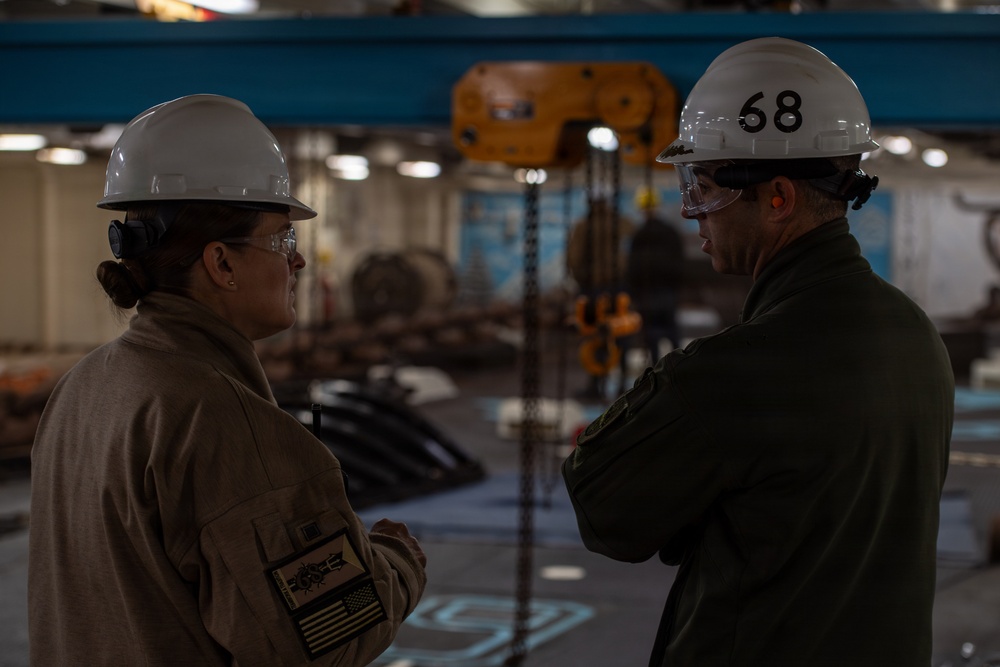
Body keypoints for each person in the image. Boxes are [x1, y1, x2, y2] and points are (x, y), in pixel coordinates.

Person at [563, 37, 954, 667]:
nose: (695, 215)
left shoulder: (730, 374)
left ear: (778, 197)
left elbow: (605, 512)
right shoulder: (914, 333)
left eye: (706, 187)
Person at [28, 94, 427, 665]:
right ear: (221, 263)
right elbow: (326, 642)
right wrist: (396, 562)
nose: (299, 262)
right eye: (283, 240)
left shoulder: (83, 386)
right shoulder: (219, 420)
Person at [625, 185, 685, 365]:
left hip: (648, 292)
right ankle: (679, 366)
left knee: (652, 334)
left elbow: (633, 267)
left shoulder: (639, 235)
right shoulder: (670, 232)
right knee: (671, 332)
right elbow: (679, 261)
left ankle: (658, 368)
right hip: (667, 290)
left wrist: (633, 291)